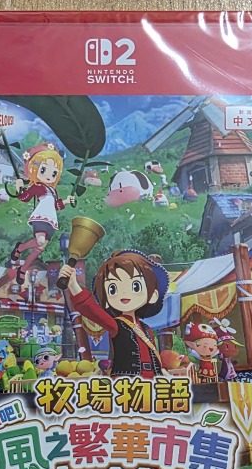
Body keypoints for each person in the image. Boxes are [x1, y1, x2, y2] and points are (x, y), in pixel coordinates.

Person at [60, 250, 167, 378]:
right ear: (105, 300)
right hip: (126, 381)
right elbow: (90, 309)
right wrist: (73, 284)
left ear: (153, 295)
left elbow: (153, 356)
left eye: (135, 286)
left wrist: (162, 373)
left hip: (150, 381)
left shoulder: (146, 328)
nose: (124, 293)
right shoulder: (116, 324)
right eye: (113, 289)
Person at [11, 142, 75, 289]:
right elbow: (24, 197)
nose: (49, 176)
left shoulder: (53, 191)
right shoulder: (37, 187)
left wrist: (66, 201)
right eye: (44, 170)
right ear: (35, 170)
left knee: (40, 247)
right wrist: (18, 187)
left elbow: (56, 205)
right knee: (40, 242)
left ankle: (23, 266)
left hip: (51, 220)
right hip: (40, 216)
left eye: (53, 173)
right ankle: (20, 249)